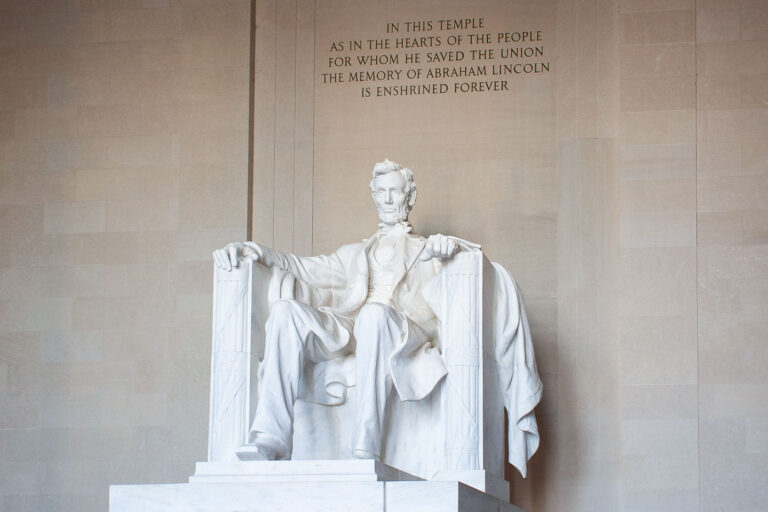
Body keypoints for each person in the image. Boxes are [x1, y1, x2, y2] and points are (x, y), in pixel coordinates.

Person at [213, 159, 460, 461]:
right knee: (285, 312)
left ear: (410, 197)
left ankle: (367, 442)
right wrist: (258, 252)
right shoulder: (355, 254)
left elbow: (460, 278)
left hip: (403, 330)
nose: (387, 199)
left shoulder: (428, 250)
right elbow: (303, 267)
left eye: (395, 191)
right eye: (381, 191)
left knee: (375, 315)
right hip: (356, 326)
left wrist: (450, 251)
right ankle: (271, 437)